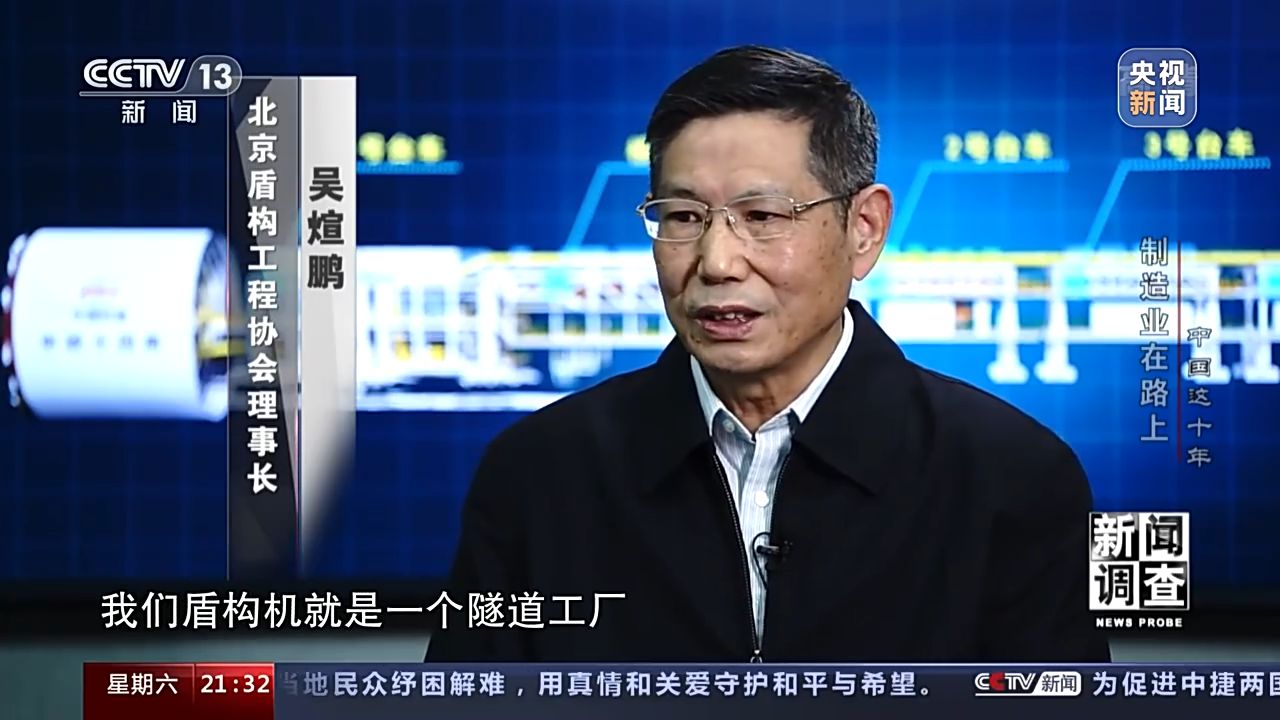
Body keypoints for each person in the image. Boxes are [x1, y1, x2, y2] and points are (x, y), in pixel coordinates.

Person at [426, 45, 1110, 663]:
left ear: (864, 229)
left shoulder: (1016, 476)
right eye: (683, 217)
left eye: (763, 216)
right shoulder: (537, 473)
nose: (717, 262)